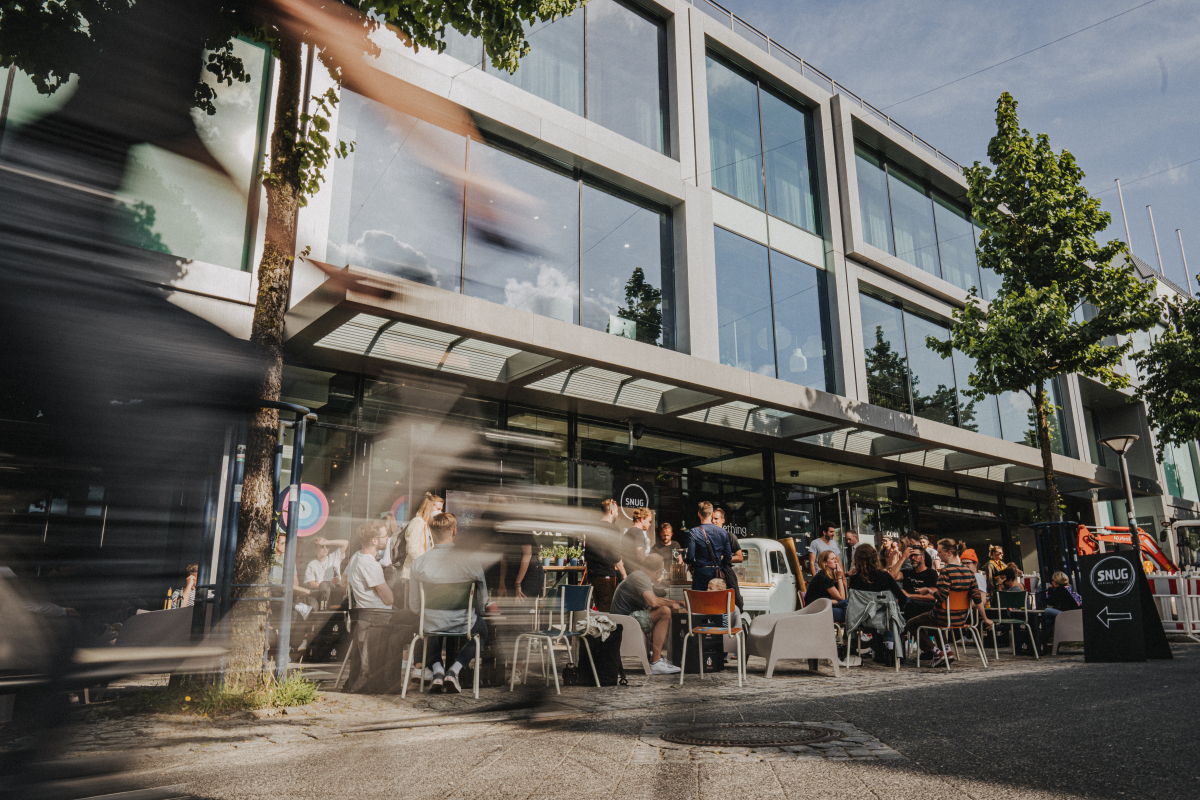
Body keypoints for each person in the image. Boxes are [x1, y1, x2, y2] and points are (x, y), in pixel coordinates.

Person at [408, 513, 491, 694]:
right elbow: (482, 599)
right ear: (454, 531)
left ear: (431, 533)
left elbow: (414, 605)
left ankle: (437, 671)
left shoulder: (419, 563)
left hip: (431, 622)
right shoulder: (470, 561)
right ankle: (454, 671)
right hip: (464, 623)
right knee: (482, 631)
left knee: (428, 628)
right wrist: (480, 610)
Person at [905, 538, 993, 667]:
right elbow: (977, 598)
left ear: (949, 553)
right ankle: (947, 651)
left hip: (944, 617)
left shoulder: (945, 572)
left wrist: (928, 591)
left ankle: (936, 652)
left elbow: (942, 596)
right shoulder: (970, 573)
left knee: (911, 623)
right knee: (932, 618)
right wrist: (985, 619)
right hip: (962, 618)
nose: (938, 555)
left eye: (940, 552)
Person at [342, 519, 398, 693]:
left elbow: (344, 582)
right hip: (379, 615)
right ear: (374, 541)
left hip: (362, 613)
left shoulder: (355, 557)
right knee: (414, 622)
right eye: (385, 535)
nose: (388, 538)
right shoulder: (370, 564)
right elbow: (389, 600)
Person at [610, 553, 684, 675]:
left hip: (625, 620)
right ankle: (656, 662)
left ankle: (656, 658)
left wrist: (678, 602)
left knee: (662, 610)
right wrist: (672, 604)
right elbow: (653, 602)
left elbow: (654, 599)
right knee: (664, 612)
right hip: (624, 623)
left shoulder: (639, 575)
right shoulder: (641, 577)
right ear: (659, 571)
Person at [398, 493, 444, 607]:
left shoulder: (425, 524)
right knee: (415, 605)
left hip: (420, 572)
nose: (440, 512)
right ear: (429, 507)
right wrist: (426, 563)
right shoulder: (418, 522)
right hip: (414, 572)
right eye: (438, 509)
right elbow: (412, 549)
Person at [585, 499, 627, 611]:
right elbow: (615, 554)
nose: (617, 514)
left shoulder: (591, 528)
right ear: (612, 511)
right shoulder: (613, 528)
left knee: (599, 608)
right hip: (606, 575)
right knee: (607, 610)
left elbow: (587, 555)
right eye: (617, 511)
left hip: (592, 576)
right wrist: (623, 573)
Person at [684, 501, 732, 591]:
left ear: (699, 514)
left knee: (699, 602)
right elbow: (728, 556)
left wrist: (688, 562)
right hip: (716, 574)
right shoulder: (722, 532)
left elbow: (690, 557)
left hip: (701, 573)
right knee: (715, 602)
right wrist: (720, 565)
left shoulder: (694, 532)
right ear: (712, 514)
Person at [304, 537, 349, 609]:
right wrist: (328, 583)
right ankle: (323, 609)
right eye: (322, 546)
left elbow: (345, 543)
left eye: (327, 546)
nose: (325, 548)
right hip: (319, 594)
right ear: (315, 550)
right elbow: (311, 584)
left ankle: (323, 609)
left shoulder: (334, 557)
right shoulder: (312, 564)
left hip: (335, 592)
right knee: (323, 587)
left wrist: (327, 542)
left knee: (325, 586)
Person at [805, 550, 847, 623]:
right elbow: (842, 598)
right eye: (832, 559)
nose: (835, 561)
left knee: (849, 607)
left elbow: (841, 598)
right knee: (849, 611)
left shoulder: (831, 576)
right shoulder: (822, 577)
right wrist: (840, 577)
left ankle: (848, 633)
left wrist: (835, 601)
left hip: (825, 607)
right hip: (816, 610)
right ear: (825, 563)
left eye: (835, 558)